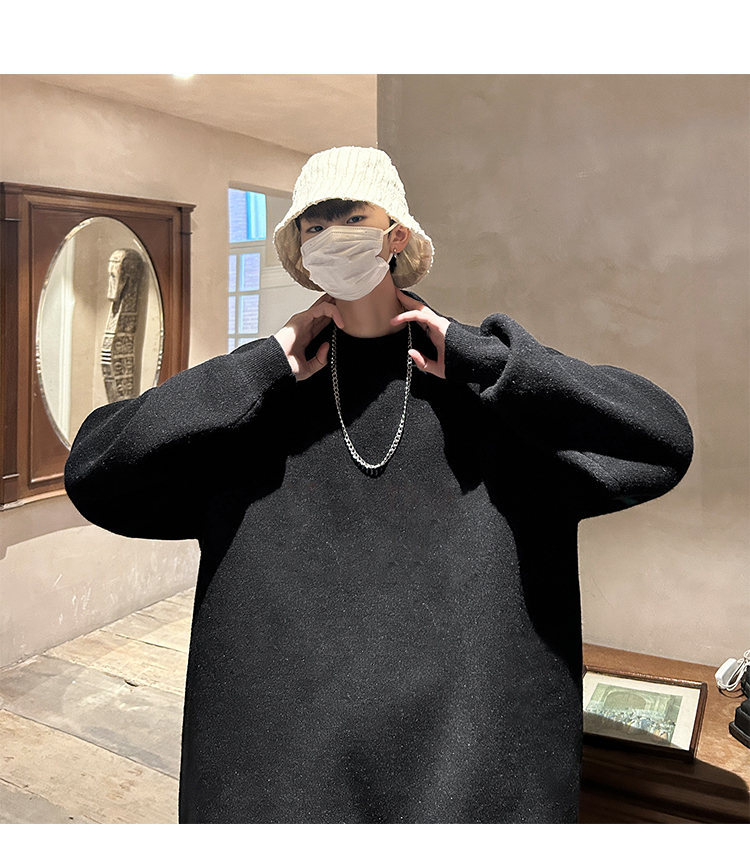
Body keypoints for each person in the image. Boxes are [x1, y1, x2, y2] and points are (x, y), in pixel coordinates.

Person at [64, 145, 694, 823]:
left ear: (395, 235)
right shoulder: (260, 402)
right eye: (314, 223)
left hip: (467, 772)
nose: (332, 234)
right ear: (300, 250)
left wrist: (485, 359)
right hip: (284, 776)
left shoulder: (487, 394)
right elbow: (97, 472)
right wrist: (259, 365)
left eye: (351, 217)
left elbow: (660, 441)